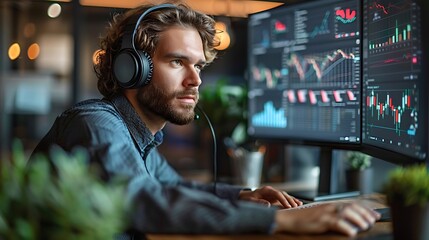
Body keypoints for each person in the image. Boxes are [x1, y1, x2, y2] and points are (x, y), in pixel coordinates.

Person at [30, 1, 380, 237]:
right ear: (132, 69)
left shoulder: (141, 140)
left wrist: (242, 195)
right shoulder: (96, 123)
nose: (195, 79)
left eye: (197, 65)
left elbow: (174, 188)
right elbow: (145, 199)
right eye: (177, 62)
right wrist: (279, 219)